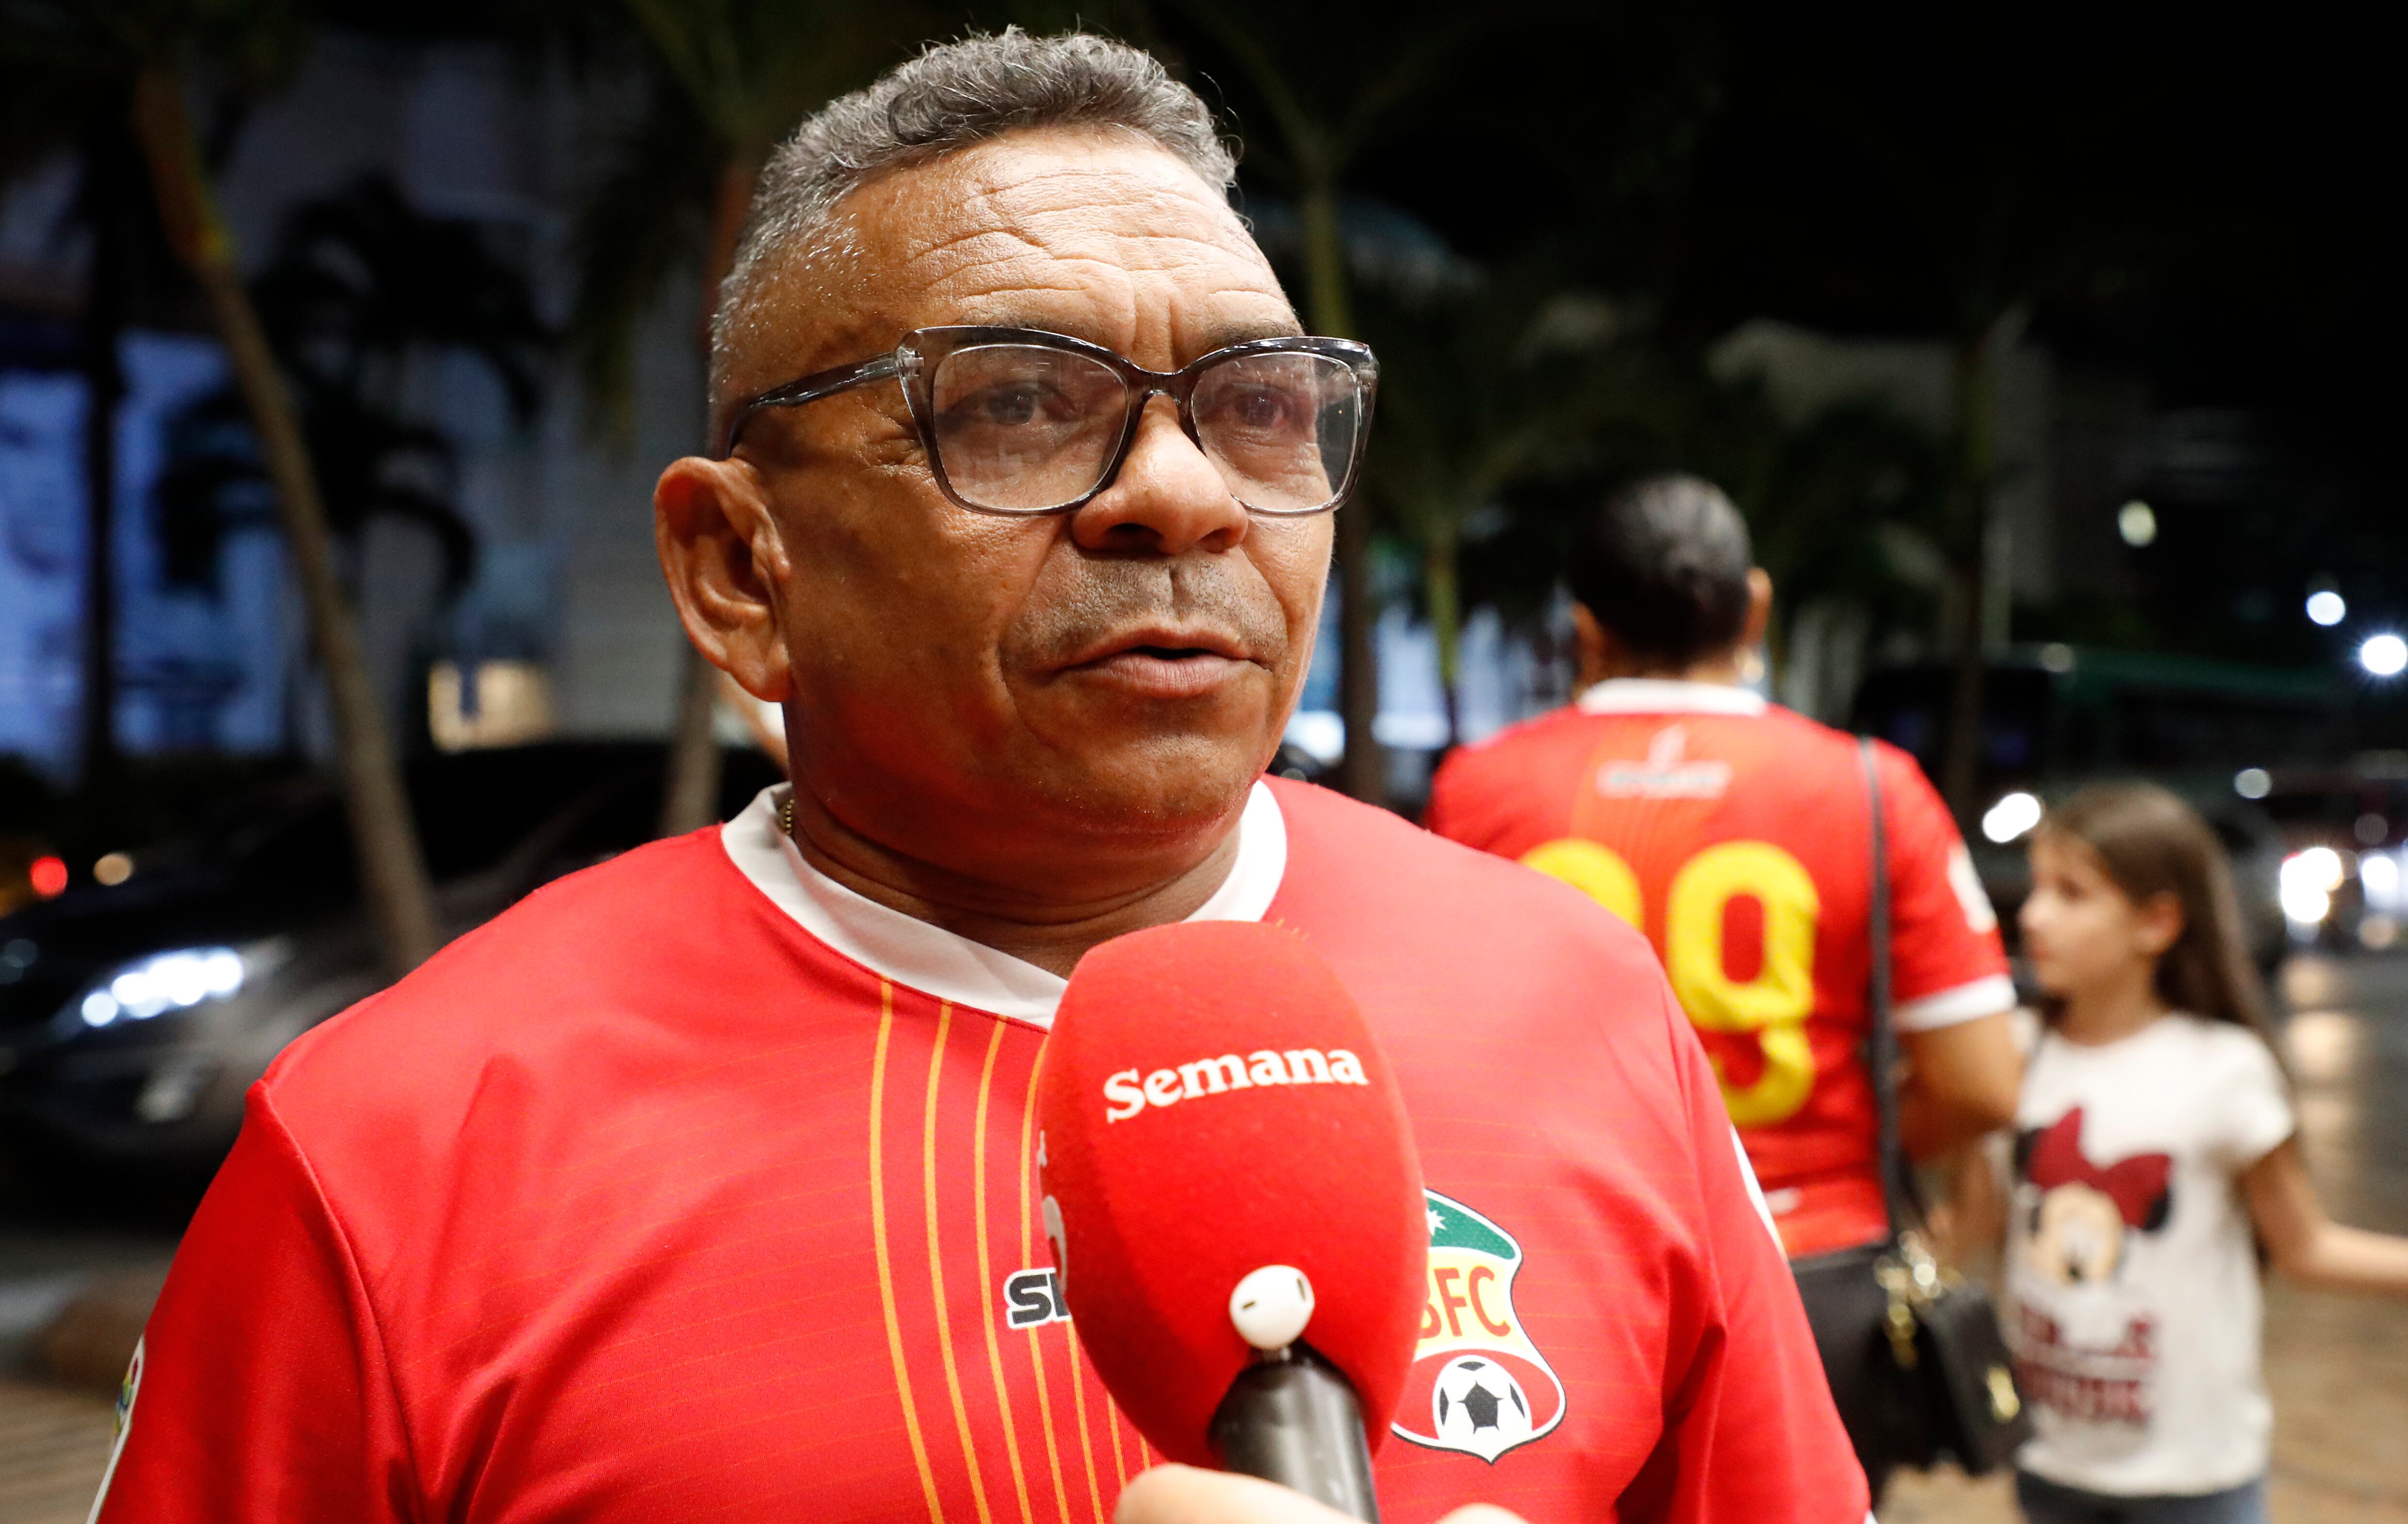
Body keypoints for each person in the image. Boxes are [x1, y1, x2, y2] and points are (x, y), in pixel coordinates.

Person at [89, 33, 1863, 1523]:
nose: (1182, 496)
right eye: (1019, 402)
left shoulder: (1574, 997)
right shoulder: (399, 1150)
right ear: (737, 569)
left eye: (1256, 405)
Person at [1425, 474, 2022, 1482]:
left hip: (1574, 1265)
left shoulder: (1478, 785)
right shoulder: (1871, 786)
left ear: (1584, 628)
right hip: (1810, 1266)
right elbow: (1979, 1085)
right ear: (1754, 606)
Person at [1991, 784, 2408, 1524]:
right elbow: (1972, 1227)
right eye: (2035, 888)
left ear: (2157, 922)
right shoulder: (2016, 1057)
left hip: (2194, 1481)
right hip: (2051, 1464)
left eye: (2071, 893)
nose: (2033, 915)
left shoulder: (2224, 1067)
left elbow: (2306, 1246)